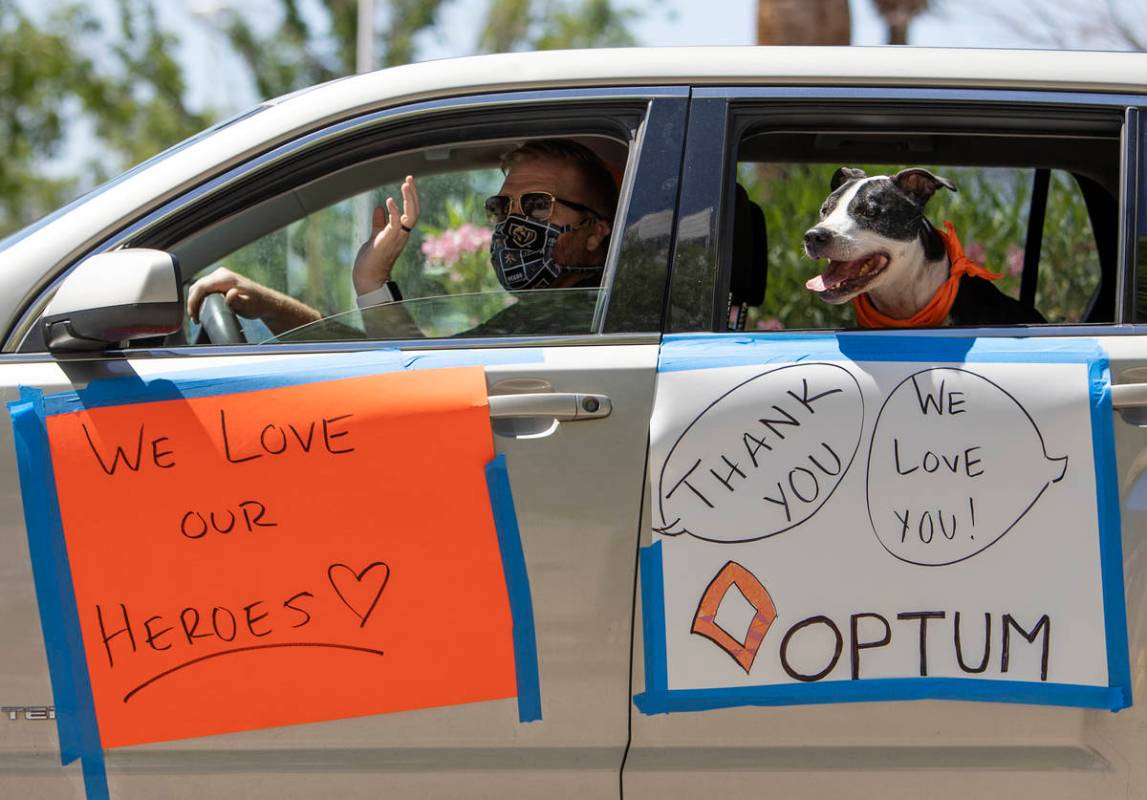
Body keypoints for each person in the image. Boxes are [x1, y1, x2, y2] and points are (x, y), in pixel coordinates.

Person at [186, 139, 618, 339]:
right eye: (503, 208)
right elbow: (414, 370)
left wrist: (371, 286)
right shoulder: (541, 316)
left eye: (538, 205)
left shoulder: (589, 315)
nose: (514, 224)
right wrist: (372, 283)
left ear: (597, 230)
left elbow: (416, 377)